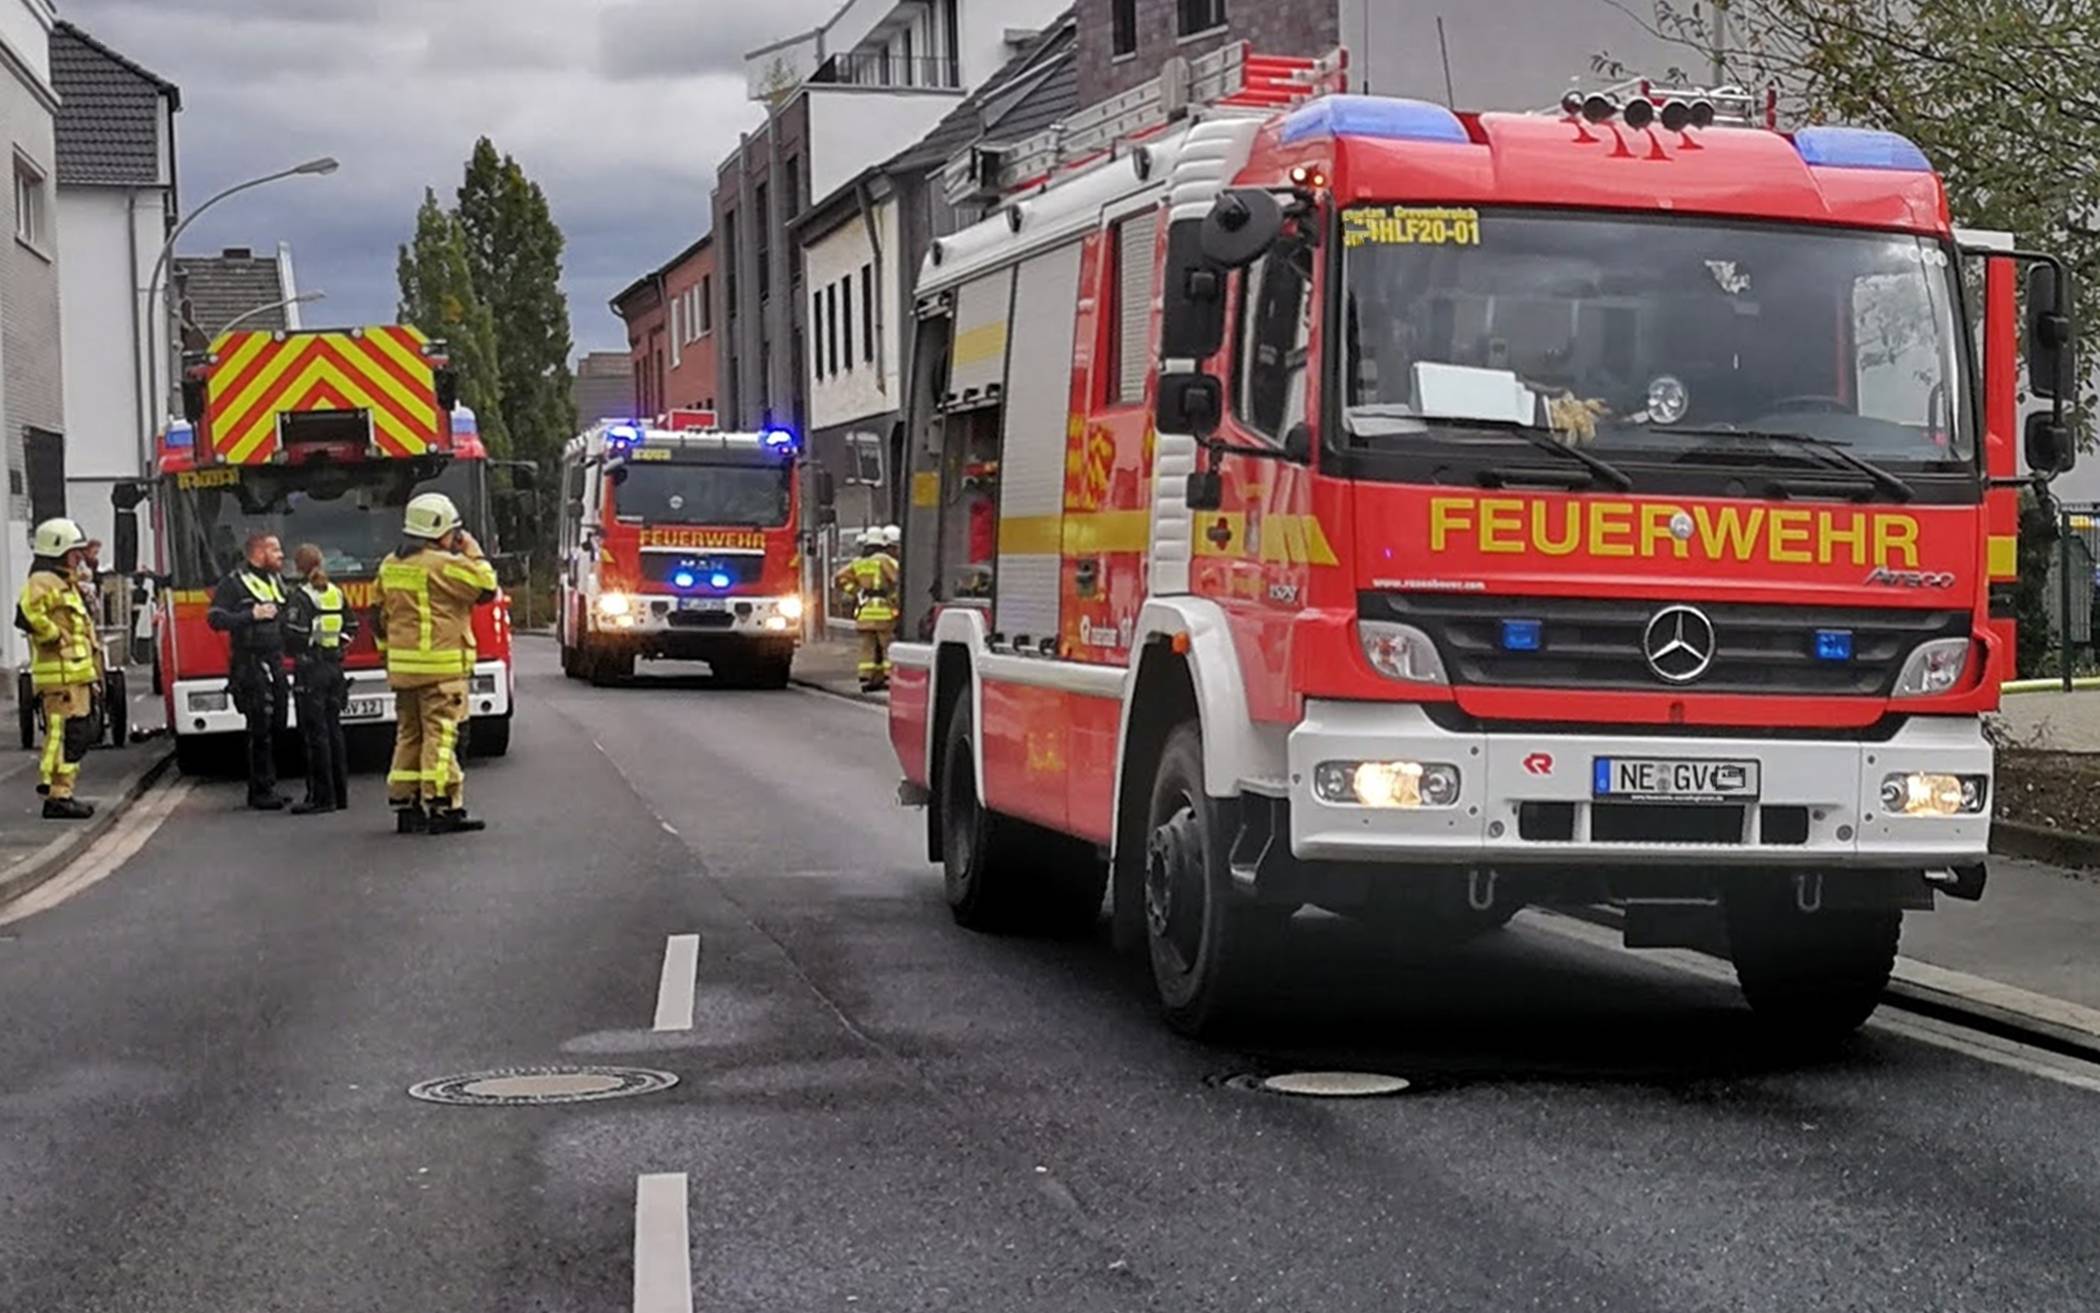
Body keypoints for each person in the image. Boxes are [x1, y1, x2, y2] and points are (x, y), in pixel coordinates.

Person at [375, 493, 497, 835]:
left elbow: (378, 616)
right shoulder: (445, 565)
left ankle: (406, 804)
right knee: (441, 737)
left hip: (403, 670)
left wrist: (389, 654)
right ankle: (443, 806)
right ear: (440, 529)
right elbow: (487, 588)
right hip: (440, 671)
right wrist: (473, 550)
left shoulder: (390, 564)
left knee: (409, 735)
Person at [16, 518, 99, 818]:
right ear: (58, 551)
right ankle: (57, 795)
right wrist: (52, 635)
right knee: (64, 737)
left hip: (76, 677)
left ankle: (62, 791)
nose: (79, 558)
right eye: (74, 552)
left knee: (78, 734)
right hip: (60, 679)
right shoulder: (43, 582)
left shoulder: (67, 584)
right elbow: (27, 613)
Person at [208, 532, 291, 809]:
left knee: (278, 723)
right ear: (258, 552)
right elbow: (215, 618)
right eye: (275, 549)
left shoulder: (275, 580)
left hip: (275, 662)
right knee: (260, 728)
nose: (281, 555)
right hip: (250, 664)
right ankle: (260, 791)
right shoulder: (234, 583)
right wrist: (250, 616)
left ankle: (270, 784)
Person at [284, 543, 356, 816]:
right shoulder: (335, 593)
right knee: (335, 732)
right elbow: (352, 626)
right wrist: (338, 646)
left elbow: (293, 633)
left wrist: (299, 648)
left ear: (299, 566)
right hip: (334, 668)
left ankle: (320, 797)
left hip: (311, 670)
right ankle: (340, 795)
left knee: (316, 736)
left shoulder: (301, 597)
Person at [833, 527, 899, 692]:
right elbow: (899, 577)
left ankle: (866, 675)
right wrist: (895, 599)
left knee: (867, 646)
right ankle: (888, 675)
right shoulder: (884, 560)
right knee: (886, 646)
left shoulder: (859, 562)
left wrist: (856, 591)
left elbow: (839, 578)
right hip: (883, 611)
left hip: (865, 612)